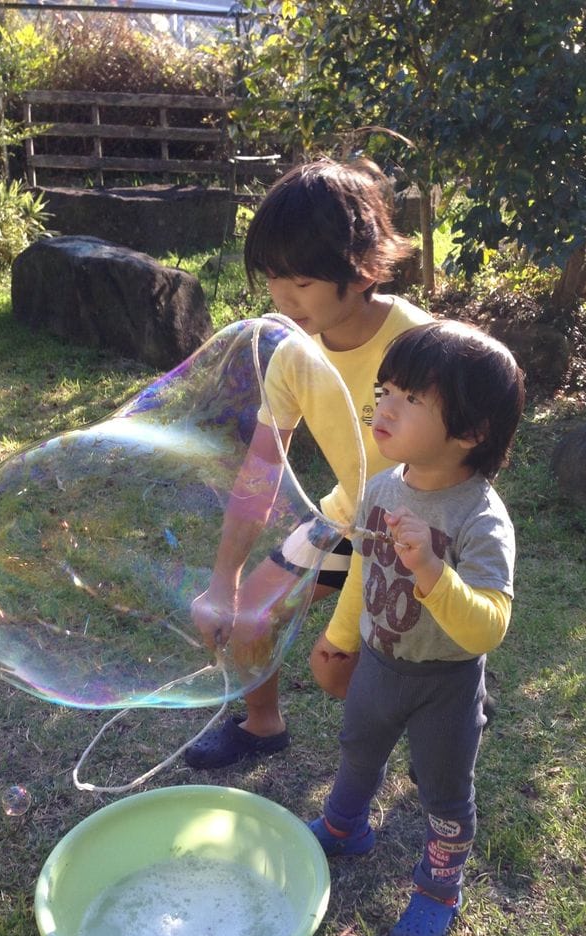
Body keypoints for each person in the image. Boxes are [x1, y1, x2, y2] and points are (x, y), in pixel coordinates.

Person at [185, 157, 432, 769]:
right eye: (273, 279)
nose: (282, 299)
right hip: (346, 519)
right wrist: (224, 580)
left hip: (417, 529)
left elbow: (454, 461)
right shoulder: (292, 359)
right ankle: (262, 726)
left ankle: (448, 701)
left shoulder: (419, 344)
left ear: (361, 269)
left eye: (301, 282)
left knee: (358, 664)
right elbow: (260, 471)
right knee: (249, 618)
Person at [307, 320, 525, 936]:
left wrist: (433, 573)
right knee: (358, 746)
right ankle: (346, 826)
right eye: (385, 389)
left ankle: (437, 886)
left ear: (471, 433)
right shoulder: (379, 488)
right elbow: (362, 575)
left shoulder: (480, 519)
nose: (383, 406)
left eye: (411, 399)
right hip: (378, 661)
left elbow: (490, 625)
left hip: (446, 684)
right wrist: (341, 637)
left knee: (444, 788)